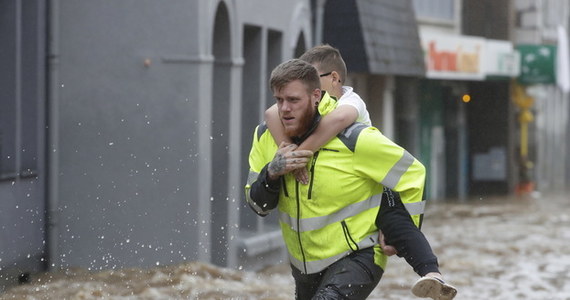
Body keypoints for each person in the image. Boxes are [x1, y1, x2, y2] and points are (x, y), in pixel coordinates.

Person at [244, 58, 453, 299]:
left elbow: (413, 173)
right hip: (304, 266)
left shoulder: (354, 138)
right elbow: (258, 205)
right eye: (279, 100)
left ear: (315, 95)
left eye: (293, 100)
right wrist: (272, 173)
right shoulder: (265, 136)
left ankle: (431, 272)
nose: (285, 109)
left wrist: (407, 226)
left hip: (358, 256)